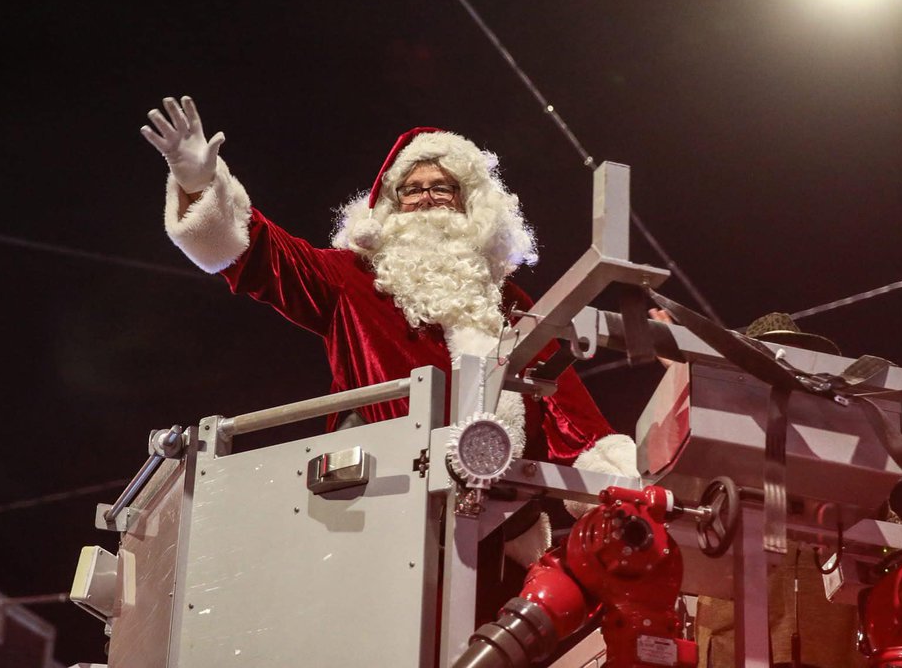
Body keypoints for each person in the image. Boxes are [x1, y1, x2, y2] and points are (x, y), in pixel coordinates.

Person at [139, 96, 636, 560]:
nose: (425, 199)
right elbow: (265, 257)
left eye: (442, 187)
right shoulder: (353, 280)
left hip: (499, 531)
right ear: (390, 207)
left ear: (471, 205)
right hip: (377, 509)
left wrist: (612, 481)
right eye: (410, 190)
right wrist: (200, 185)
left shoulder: (508, 304)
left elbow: (570, 411)